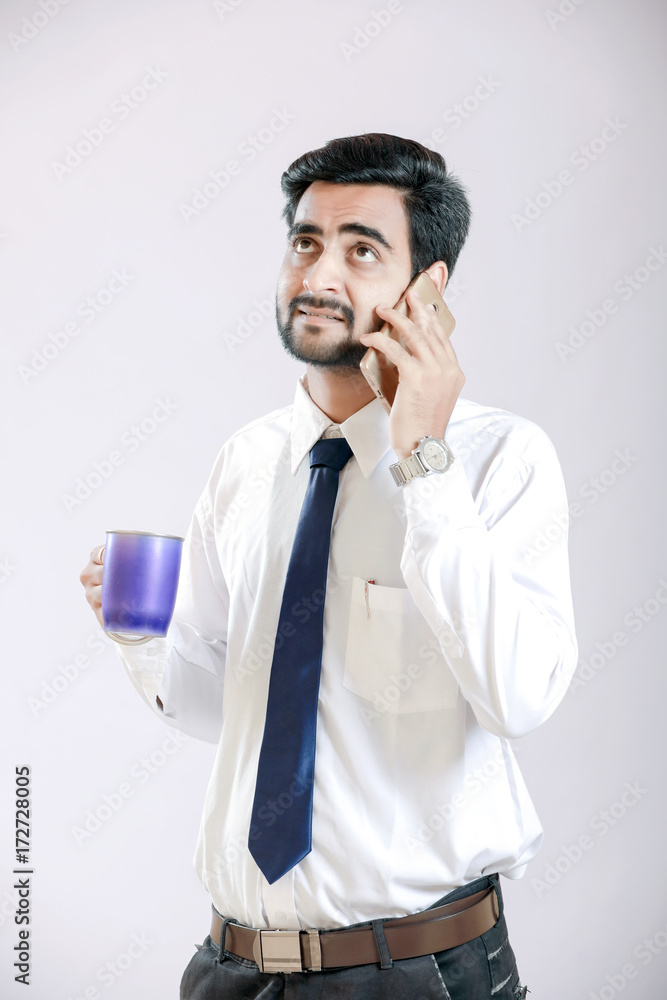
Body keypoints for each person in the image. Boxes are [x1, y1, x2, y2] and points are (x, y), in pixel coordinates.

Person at [81, 133, 577, 999]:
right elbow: (220, 707)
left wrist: (422, 461)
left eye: (362, 250)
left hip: (415, 972)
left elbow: (518, 695)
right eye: (305, 242)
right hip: (230, 968)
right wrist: (142, 635)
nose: (318, 274)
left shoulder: (500, 458)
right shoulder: (246, 461)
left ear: (427, 289)